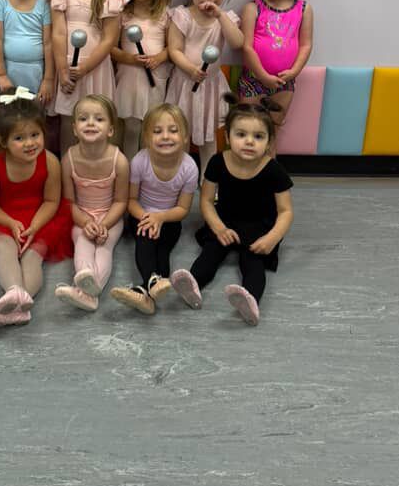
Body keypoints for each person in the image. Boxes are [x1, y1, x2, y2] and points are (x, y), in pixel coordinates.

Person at [170, 95, 294, 326]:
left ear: (268, 143)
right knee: (211, 252)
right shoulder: (218, 162)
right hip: (225, 219)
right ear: (227, 136)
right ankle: (193, 284)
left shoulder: (274, 170)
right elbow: (206, 201)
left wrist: (272, 238)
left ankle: (250, 300)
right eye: (241, 134)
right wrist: (218, 227)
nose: (249, 142)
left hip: (259, 225)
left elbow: (286, 211)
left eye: (258, 137)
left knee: (253, 261)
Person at [0, 90, 72, 327]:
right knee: (3, 249)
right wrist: (10, 223)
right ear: (4, 142)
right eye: (19, 138)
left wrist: (34, 226)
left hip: (40, 218)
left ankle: (22, 302)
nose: (29, 143)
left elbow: (51, 201)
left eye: (35, 135)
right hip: (3, 217)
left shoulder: (50, 162)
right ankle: (14, 291)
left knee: (32, 257)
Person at [110, 104, 198, 316]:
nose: (165, 136)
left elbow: (183, 208)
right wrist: (148, 218)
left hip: (170, 218)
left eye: (173, 130)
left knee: (163, 249)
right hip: (141, 214)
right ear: (147, 138)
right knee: (146, 241)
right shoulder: (140, 161)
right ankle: (154, 282)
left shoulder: (189, 167)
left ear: (185, 136)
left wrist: (161, 218)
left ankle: (144, 290)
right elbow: (131, 200)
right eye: (157, 131)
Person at [49, 0, 128, 153]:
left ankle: (99, 168)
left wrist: (85, 67)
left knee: (98, 119)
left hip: (95, 69)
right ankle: (67, 168)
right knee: (68, 121)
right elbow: (59, 33)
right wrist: (63, 70)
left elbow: (109, 39)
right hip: (66, 67)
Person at [166, 0, 243, 173]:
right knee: (179, 132)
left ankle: (209, 178)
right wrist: (191, 70)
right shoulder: (181, 15)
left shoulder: (225, 18)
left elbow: (238, 43)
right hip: (184, 81)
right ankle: (177, 175)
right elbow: (174, 50)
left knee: (209, 136)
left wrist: (220, 15)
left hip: (211, 85)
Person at [55, 96, 129, 311]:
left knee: (103, 247)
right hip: (81, 214)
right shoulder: (68, 160)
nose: (90, 123)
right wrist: (85, 221)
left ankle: (85, 292)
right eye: (83, 119)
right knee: (83, 242)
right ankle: (89, 289)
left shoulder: (120, 161)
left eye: (99, 119)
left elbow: (121, 200)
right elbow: (68, 201)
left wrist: (104, 224)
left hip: (110, 216)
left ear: (111, 130)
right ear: (75, 129)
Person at [238, 0, 313, 129]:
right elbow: (246, 47)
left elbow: (306, 45)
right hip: (254, 78)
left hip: (284, 82)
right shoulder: (252, 8)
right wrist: (262, 76)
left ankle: (270, 158)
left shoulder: (303, 9)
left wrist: (294, 71)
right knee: (247, 126)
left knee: (273, 128)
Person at [113, 0, 173, 161]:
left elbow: (171, 47)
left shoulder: (165, 14)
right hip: (129, 76)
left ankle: (147, 169)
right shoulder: (122, 12)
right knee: (130, 127)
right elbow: (111, 48)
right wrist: (130, 59)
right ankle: (129, 169)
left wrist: (159, 57)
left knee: (151, 125)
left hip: (155, 77)